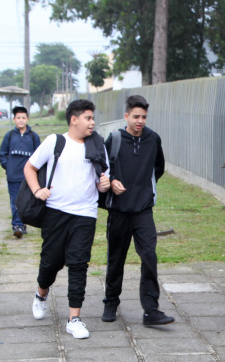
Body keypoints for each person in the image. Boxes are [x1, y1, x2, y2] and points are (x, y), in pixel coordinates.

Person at [24, 99, 110, 340]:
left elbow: (102, 182)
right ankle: (41, 293)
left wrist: (104, 185)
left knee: (79, 263)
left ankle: (74, 318)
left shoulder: (98, 146)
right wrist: (37, 190)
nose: (93, 122)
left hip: (85, 214)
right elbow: (29, 168)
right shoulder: (55, 141)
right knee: (51, 262)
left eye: (93, 118)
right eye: (88, 118)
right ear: (74, 119)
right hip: (55, 212)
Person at [102, 95, 174, 326]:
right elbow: (101, 171)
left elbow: (158, 168)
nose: (140, 121)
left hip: (143, 210)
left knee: (149, 256)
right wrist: (112, 181)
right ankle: (111, 303)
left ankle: (151, 310)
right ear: (126, 116)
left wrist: (143, 187)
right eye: (136, 116)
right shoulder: (113, 139)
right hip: (119, 211)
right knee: (116, 259)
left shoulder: (153, 139)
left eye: (144, 116)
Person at [0, 106, 42, 238]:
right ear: (14, 119)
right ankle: (17, 225)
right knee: (15, 201)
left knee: (27, 201)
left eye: (23, 118)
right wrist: (10, 167)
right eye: (18, 118)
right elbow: (2, 155)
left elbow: (40, 156)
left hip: (29, 177)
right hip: (13, 177)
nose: (21, 120)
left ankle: (23, 223)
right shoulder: (9, 136)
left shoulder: (34, 137)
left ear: (27, 119)